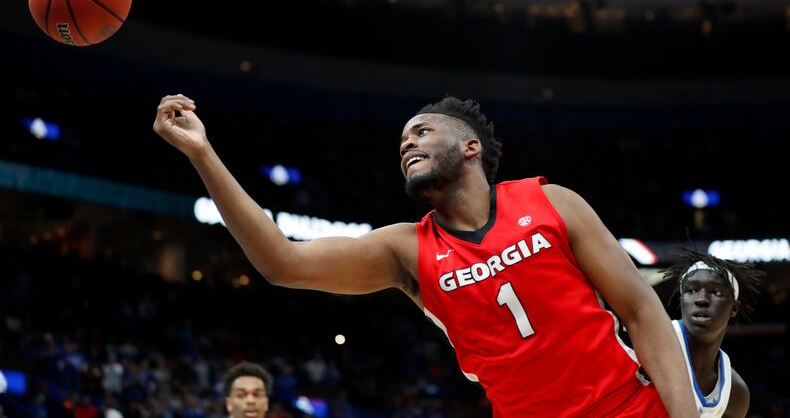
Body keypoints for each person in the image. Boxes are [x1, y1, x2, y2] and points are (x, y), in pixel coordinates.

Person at [153, 94, 697, 417]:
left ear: (470, 147)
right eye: (400, 144)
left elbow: (642, 311)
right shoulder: (405, 249)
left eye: (421, 132)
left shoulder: (550, 200)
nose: (407, 144)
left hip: (629, 406)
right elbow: (281, 262)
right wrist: (202, 153)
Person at [662, 250, 764, 418]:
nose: (701, 299)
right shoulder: (654, 342)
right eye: (692, 290)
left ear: (734, 308)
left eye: (716, 292)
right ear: (681, 301)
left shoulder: (735, 394)